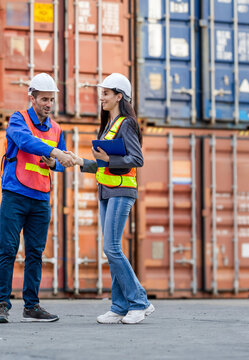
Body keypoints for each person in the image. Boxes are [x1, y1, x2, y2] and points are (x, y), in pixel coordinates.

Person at [67, 73, 154, 324]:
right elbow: (104, 165)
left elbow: (137, 160)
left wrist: (108, 159)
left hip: (122, 191)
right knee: (111, 251)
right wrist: (81, 161)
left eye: (105, 93)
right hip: (106, 190)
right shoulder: (109, 124)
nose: (101, 97)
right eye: (101, 93)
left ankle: (139, 302)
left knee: (111, 248)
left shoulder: (127, 123)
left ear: (119, 96)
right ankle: (118, 306)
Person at [0, 73, 74, 323]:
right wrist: (53, 152)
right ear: (32, 97)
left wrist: (55, 162)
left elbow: (59, 164)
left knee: (35, 254)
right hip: (15, 194)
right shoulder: (18, 119)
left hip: (40, 198)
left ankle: (32, 306)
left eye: (51, 100)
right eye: (43, 99)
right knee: (8, 250)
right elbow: (25, 142)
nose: (48, 104)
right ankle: (2, 305)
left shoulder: (57, 128)